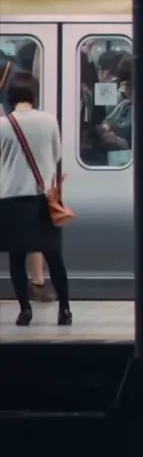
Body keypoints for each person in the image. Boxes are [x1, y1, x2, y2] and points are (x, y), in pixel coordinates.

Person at [0, 71, 72, 326]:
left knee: (17, 260)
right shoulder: (49, 121)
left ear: (10, 95)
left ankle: (25, 310)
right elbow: (56, 156)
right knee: (55, 258)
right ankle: (65, 310)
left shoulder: (2, 125)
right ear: (33, 93)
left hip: (11, 199)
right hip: (43, 200)